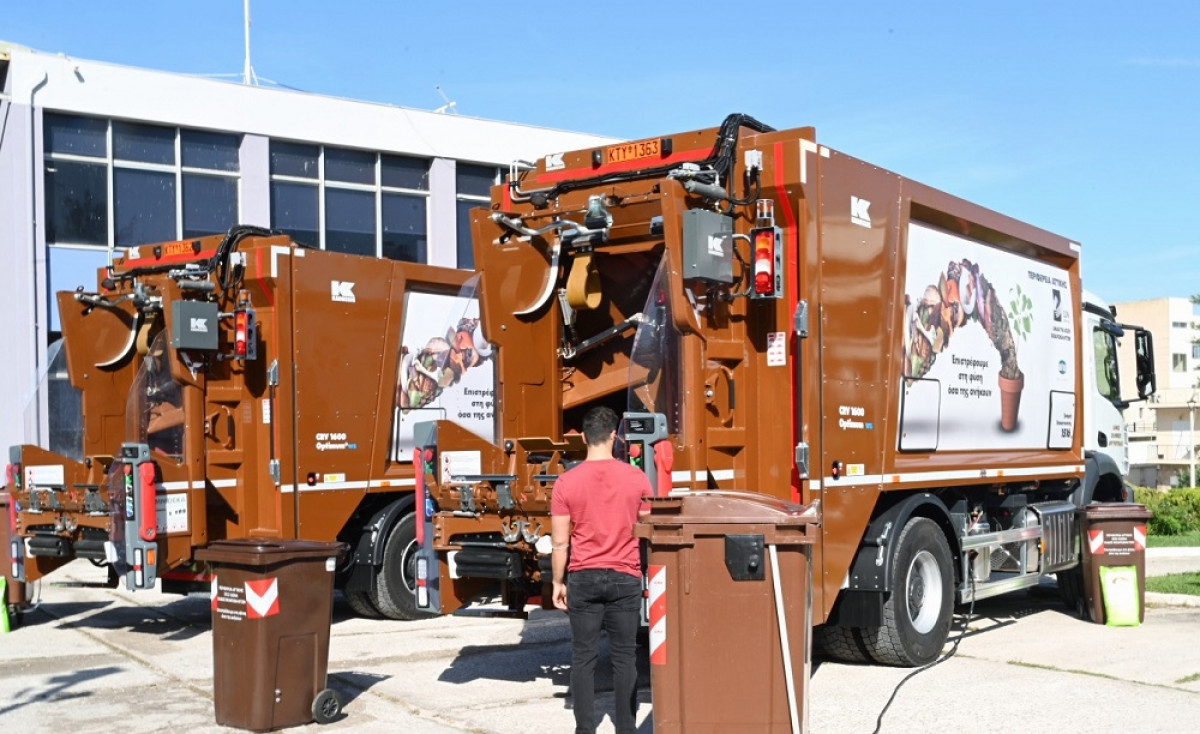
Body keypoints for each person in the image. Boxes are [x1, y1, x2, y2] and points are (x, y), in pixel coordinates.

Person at [551, 406, 652, 734]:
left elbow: (559, 544)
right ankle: (626, 728)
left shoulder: (566, 483)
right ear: (614, 436)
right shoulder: (637, 479)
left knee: (583, 658)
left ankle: (585, 730)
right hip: (625, 577)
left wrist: (557, 582)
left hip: (583, 577)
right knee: (625, 658)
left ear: (582, 437)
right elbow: (649, 530)